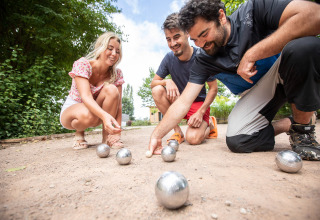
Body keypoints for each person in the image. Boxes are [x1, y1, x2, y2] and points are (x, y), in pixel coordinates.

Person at [148, 0, 320, 160]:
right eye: (195, 40)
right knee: (237, 140)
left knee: (302, 47)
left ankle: (302, 129)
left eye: (204, 34)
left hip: (283, 71)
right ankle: (288, 123)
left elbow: (315, 15)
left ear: (221, 17)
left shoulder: (253, 10)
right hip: (258, 93)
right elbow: (184, 100)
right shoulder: (203, 59)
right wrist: (157, 134)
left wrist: (253, 53)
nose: (200, 45)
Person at [149, 13, 219, 155]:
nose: (172, 44)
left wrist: (200, 112)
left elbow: (213, 88)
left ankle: (210, 124)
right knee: (157, 90)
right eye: (168, 39)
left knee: (193, 139)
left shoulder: (202, 56)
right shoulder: (169, 58)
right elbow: (153, 83)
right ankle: (177, 131)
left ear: (187, 33)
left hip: (198, 104)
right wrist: (167, 81)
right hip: (178, 103)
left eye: (176, 37)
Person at [60, 32, 125, 150]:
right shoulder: (83, 64)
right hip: (74, 112)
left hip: (97, 112)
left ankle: (107, 138)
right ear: (100, 48)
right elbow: (86, 97)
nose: (114, 54)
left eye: (117, 51)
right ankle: (79, 133)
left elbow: (118, 106)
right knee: (88, 115)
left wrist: (117, 132)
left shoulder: (117, 74)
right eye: (110, 49)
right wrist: (105, 116)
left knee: (111, 89)